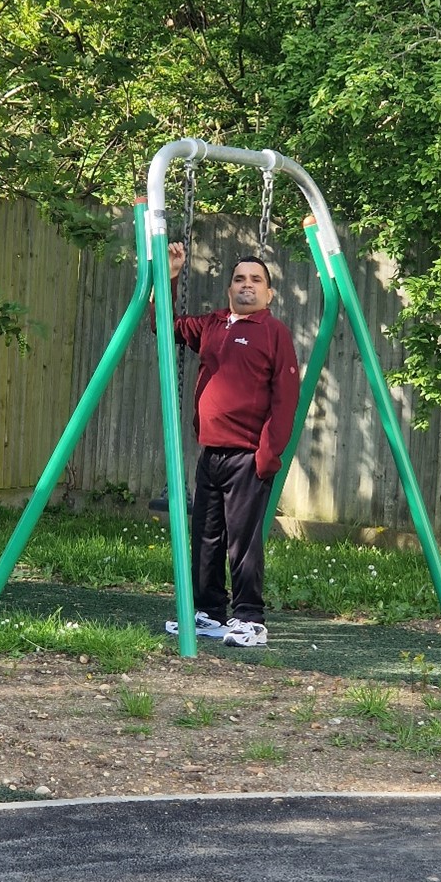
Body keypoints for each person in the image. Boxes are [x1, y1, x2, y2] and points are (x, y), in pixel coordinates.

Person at [151, 243, 300, 647]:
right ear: (229, 289)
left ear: (269, 294)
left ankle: (250, 618)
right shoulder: (215, 325)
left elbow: (286, 399)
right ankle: (210, 614)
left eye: (256, 280)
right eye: (239, 279)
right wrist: (169, 274)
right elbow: (163, 324)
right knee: (206, 537)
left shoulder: (274, 333)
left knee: (243, 540)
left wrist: (267, 455)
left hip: (248, 457)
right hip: (210, 453)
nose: (246, 286)